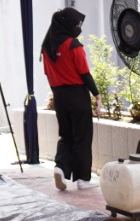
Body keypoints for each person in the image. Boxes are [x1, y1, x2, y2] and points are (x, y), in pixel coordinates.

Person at [42, 8, 99, 191]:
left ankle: (60, 167)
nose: (78, 27)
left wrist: (58, 93)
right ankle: (83, 179)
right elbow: (85, 73)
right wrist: (97, 95)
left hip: (59, 95)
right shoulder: (73, 45)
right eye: (77, 24)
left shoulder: (47, 47)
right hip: (77, 95)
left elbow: (48, 74)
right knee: (82, 136)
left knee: (65, 135)